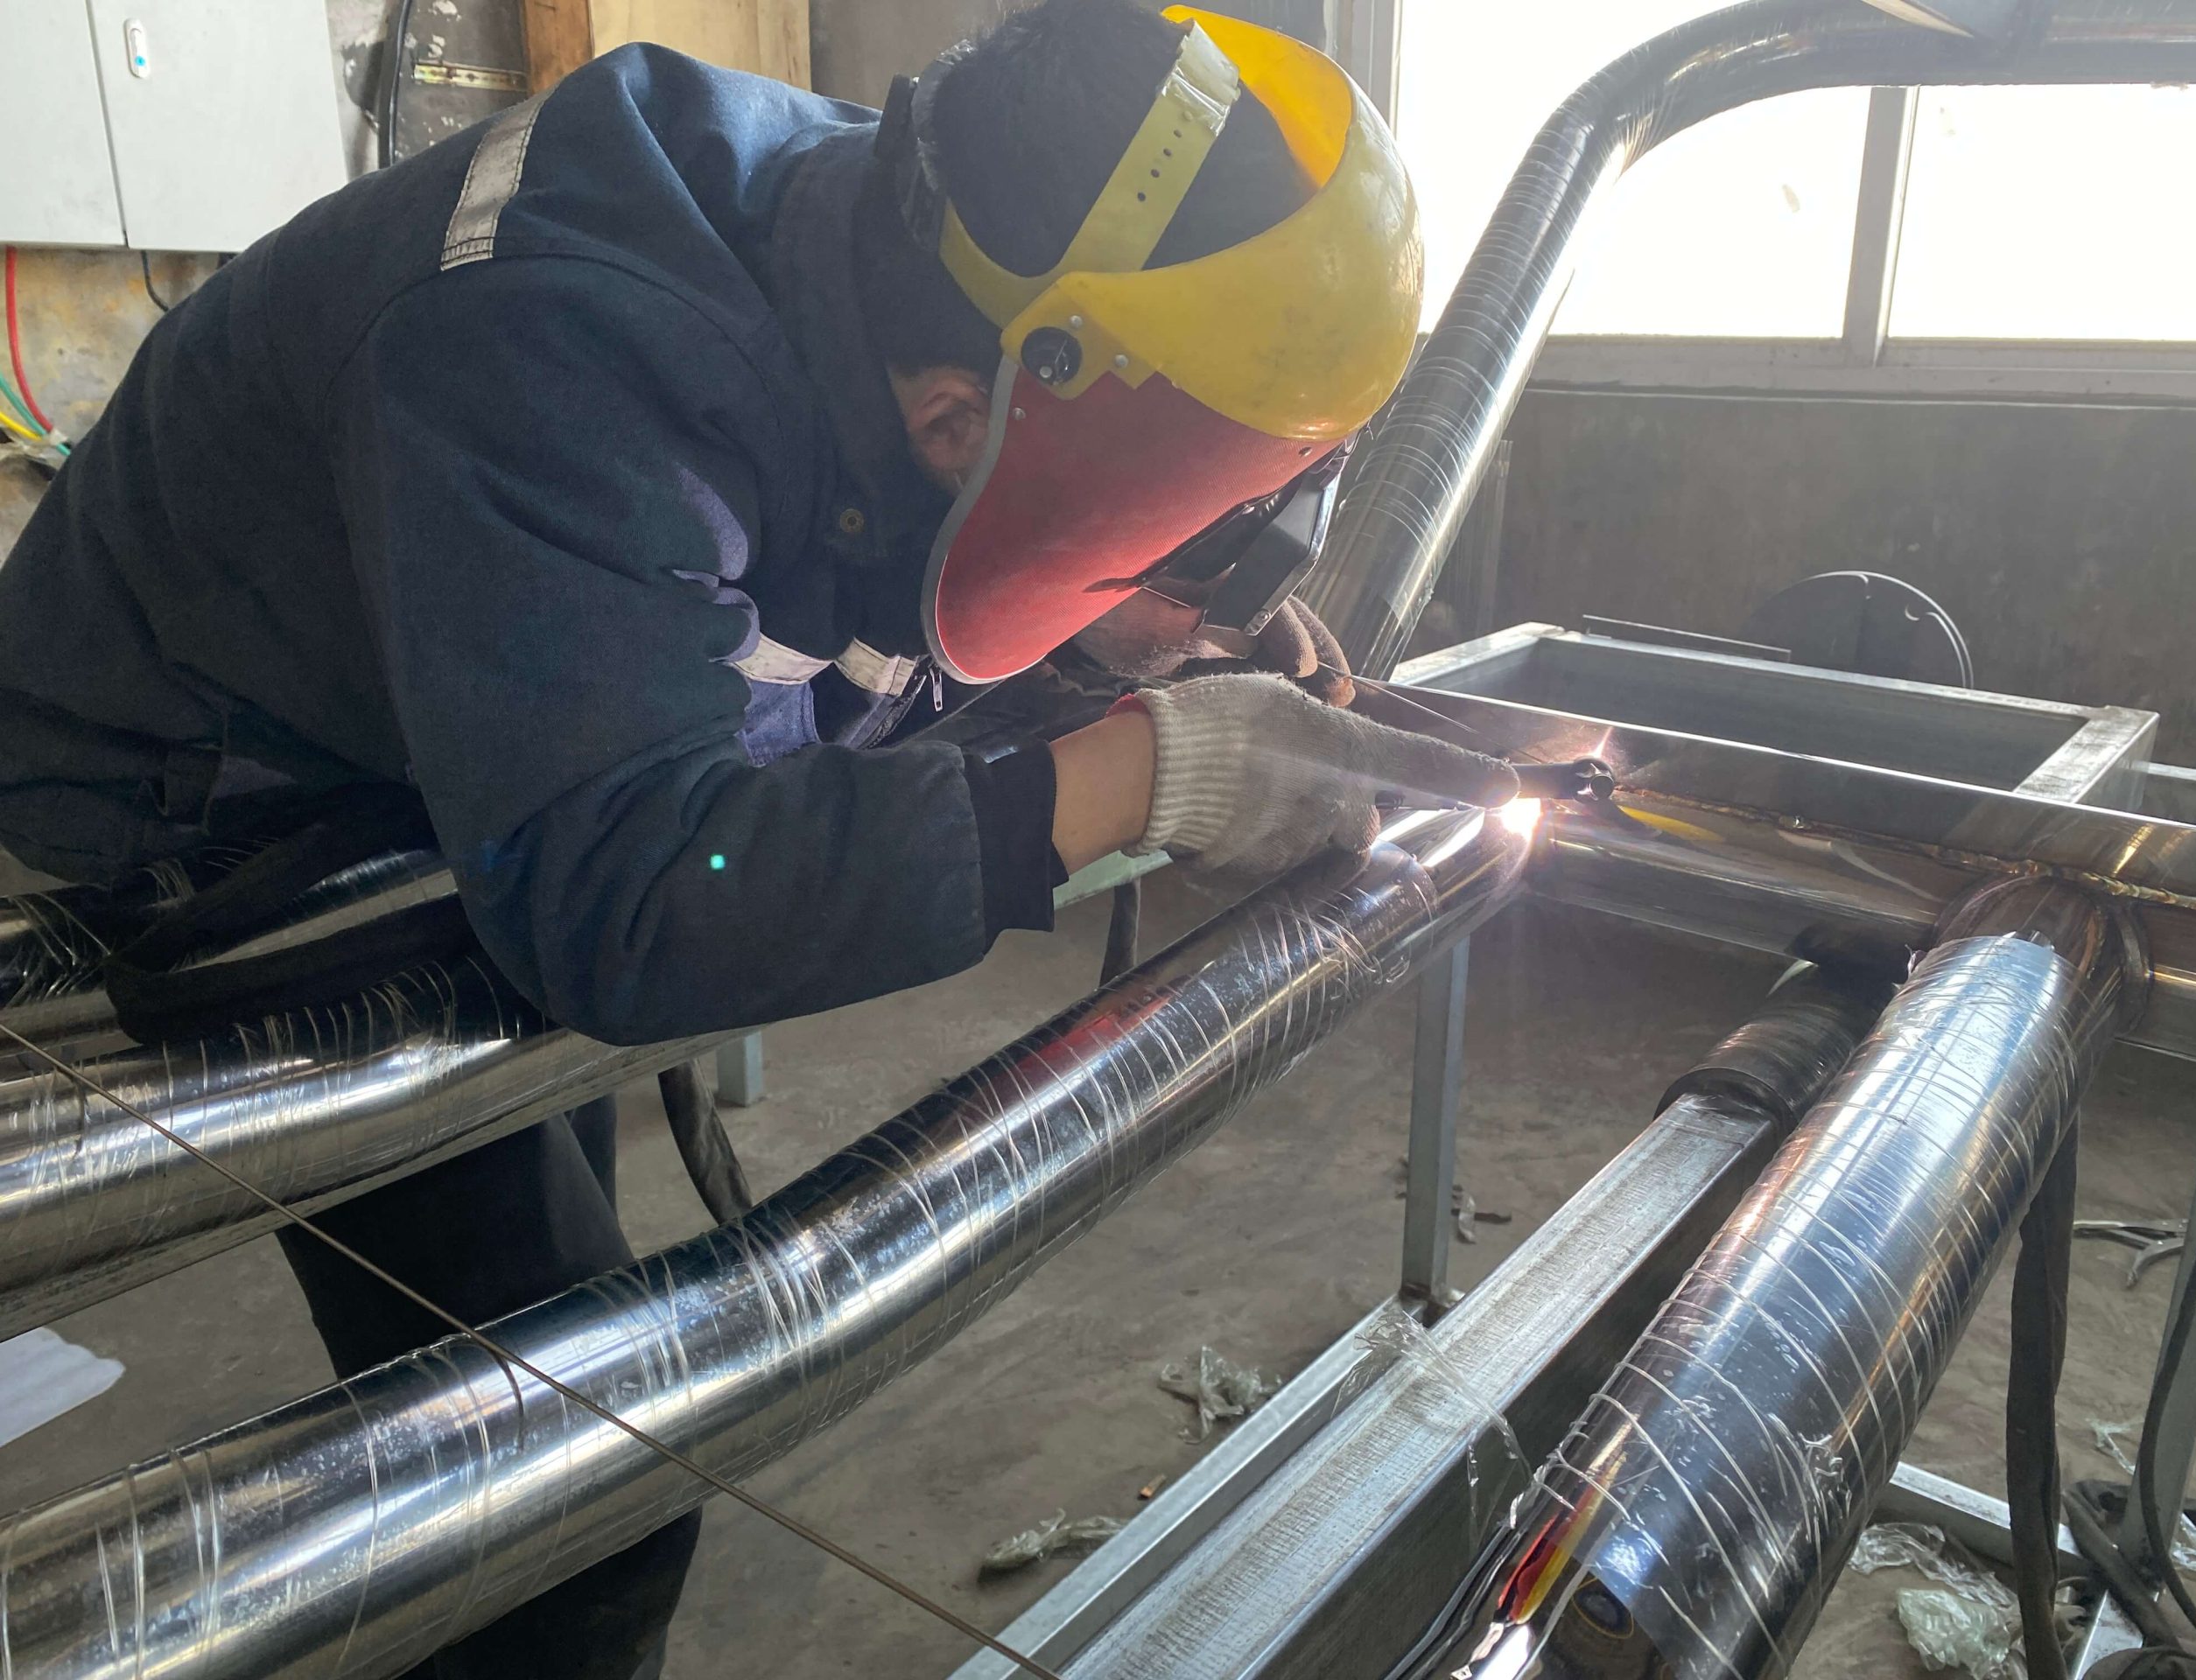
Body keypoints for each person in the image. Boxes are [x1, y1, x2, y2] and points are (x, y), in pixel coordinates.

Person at [0, 1, 1514, 1674]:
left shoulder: (898, 254)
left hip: (447, 724)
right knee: (559, 1498)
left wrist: (1120, 609)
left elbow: (860, 586)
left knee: (551, 1228)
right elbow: (633, 896)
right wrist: (1149, 778)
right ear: (964, 414)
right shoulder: (558, 344)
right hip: (215, 798)